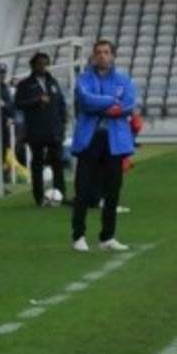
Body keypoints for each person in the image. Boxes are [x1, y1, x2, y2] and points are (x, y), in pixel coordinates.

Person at [71, 39, 136, 251]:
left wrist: (103, 104)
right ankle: (78, 236)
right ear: (93, 56)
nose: (102, 56)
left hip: (114, 140)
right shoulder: (84, 78)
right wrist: (110, 102)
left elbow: (128, 104)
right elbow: (86, 101)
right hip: (90, 139)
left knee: (113, 190)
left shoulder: (123, 80)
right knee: (83, 189)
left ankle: (107, 237)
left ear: (113, 55)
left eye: (106, 52)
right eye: (98, 52)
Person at [15, 51, 69, 206]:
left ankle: (60, 194)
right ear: (33, 65)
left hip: (54, 129)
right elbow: (18, 104)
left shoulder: (53, 82)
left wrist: (63, 123)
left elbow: (61, 103)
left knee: (57, 162)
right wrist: (36, 101)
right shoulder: (25, 84)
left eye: (45, 64)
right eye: (39, 64)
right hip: (36, 130)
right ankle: (39, 197)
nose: (42, 67)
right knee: (37, 163)